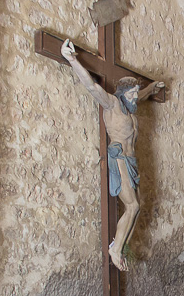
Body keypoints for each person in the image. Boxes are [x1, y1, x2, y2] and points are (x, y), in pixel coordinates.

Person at [61, 38, 164, 271]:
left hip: (131, 161)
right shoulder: (112, 105)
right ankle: (115, 248)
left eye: (137, 94)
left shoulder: (131, 110)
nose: (136, 98)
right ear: (122, 93)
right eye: (132, 94)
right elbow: (91, 86)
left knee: (139, 205)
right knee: (133, 206)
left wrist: (151, 89)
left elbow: (142, 96)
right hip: (119, 159)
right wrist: (71, 59)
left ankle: (122, 245)